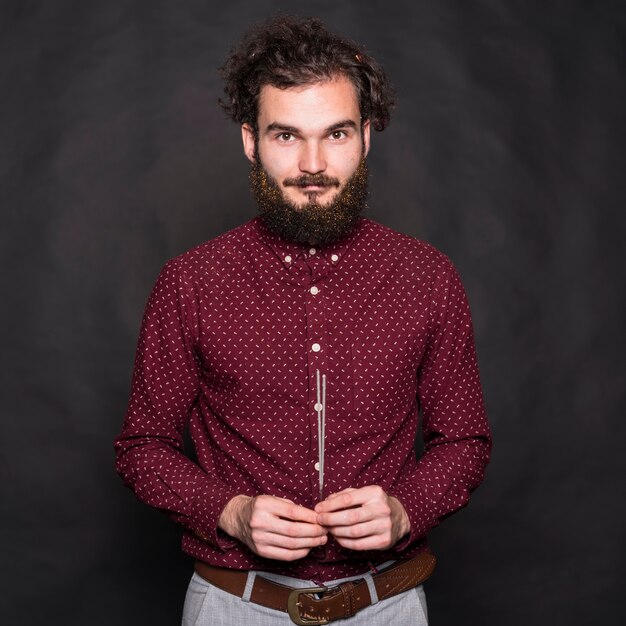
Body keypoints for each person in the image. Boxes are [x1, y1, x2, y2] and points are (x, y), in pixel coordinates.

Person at [114, 15, 491, 626]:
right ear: (249, 140)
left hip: (386, 606)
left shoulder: (429, 278)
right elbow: (141, 448)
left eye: (335, 133)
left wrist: (406, 509)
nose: (312, 164)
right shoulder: (190, 281)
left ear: (366, 137)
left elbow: (465, 441)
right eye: (286, 136)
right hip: (235, 607)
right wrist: (230, 511)